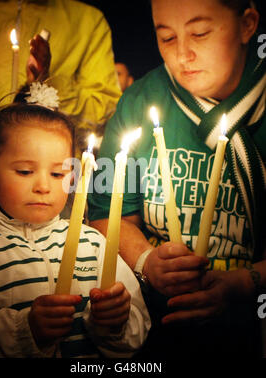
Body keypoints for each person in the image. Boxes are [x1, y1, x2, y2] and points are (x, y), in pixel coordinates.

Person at [88, 0, 266, 357]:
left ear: (247, 24)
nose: (183, 54)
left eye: (200, 33)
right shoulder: (140, 100)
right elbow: (105, 214)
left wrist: (242, 284)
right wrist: (147, 261)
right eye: (167, 38)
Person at [0, 101, 150, 358]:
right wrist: (25, 330)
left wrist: (114, 322)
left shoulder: (95, 246)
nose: (43, 186)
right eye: (25, 171)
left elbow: (137, 331)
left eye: (57, 174)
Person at [0, 0, 122, 229]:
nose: (37, 185)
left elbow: (103, 107)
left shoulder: (86, 20)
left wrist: (48, 82)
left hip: (58, 187)